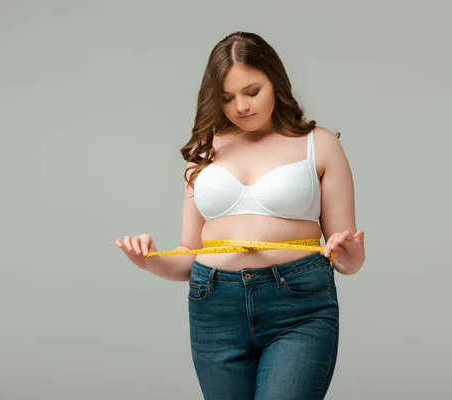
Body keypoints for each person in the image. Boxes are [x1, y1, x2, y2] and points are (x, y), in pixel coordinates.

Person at [115, 31, 365, 400]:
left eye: (252, 91)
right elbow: (190, 251)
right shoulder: (203, 150)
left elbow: (344, 254)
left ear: (275, 83)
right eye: (227, 98)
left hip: (298, 304)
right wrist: (150, 261)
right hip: (214, 306)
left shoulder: (320, 144)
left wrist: (352, 257)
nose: (241, 107)